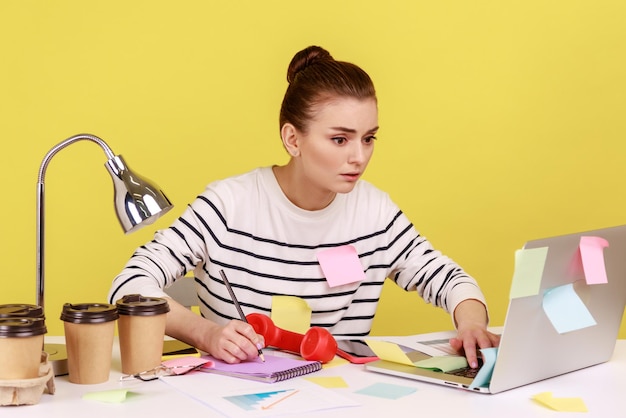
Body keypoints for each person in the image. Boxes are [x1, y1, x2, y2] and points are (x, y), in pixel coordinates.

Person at [108, 45, 500, 368]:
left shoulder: (375, 214)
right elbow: (128, 288)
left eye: (369, 138)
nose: (359, 158)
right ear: (292, 139)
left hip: (341, 398)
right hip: (234, 400)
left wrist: (471, 323)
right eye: (340, 139)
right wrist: (205, 333)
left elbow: (449, 279)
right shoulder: (230, 204)